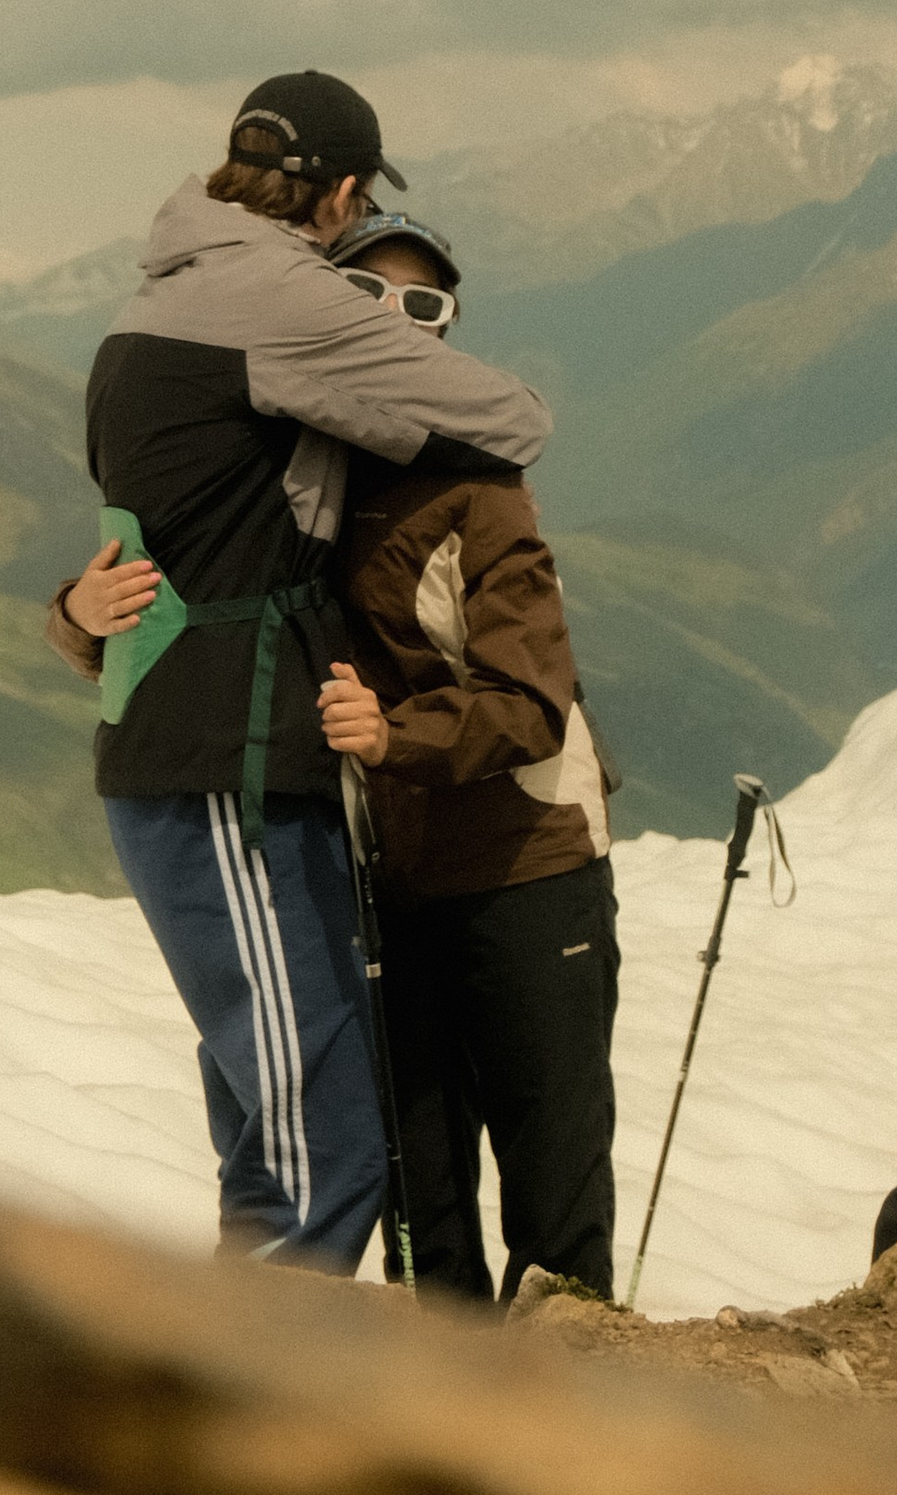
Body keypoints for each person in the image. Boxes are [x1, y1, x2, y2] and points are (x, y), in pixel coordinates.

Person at [51, 70, 551, 1275]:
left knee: (265, 1136)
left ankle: (225, 1397)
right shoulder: (277, 293)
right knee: (322, 1154)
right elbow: (512, 417)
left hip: (183, 739)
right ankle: (262, 1430)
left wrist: (71, 616)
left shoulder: (154, 294)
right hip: (233, 750)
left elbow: (166, 523)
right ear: (339, 192)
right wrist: (376, 386)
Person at [312, 212, 621, 1304]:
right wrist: (82, 616)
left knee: (552, 1207)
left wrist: (395, 738)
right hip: (395, 879)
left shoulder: (483, 497)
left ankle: (566, 1450)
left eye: (425, 306)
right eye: (365, 297)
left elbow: (528, 703)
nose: (396, 322)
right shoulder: (307, 480)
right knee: (425, 1204)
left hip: (527, 869)